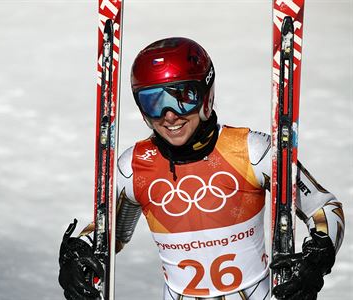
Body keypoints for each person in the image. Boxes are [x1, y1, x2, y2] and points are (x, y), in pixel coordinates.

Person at [58, 37, 345, 300]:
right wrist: (79, 252)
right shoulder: (133, 166)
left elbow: (324, 207)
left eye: (182, 97)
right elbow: (109, 234)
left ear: (206, 95)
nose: (169, 116)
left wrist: (317, 258)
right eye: (153, 101)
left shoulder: (251, 151)